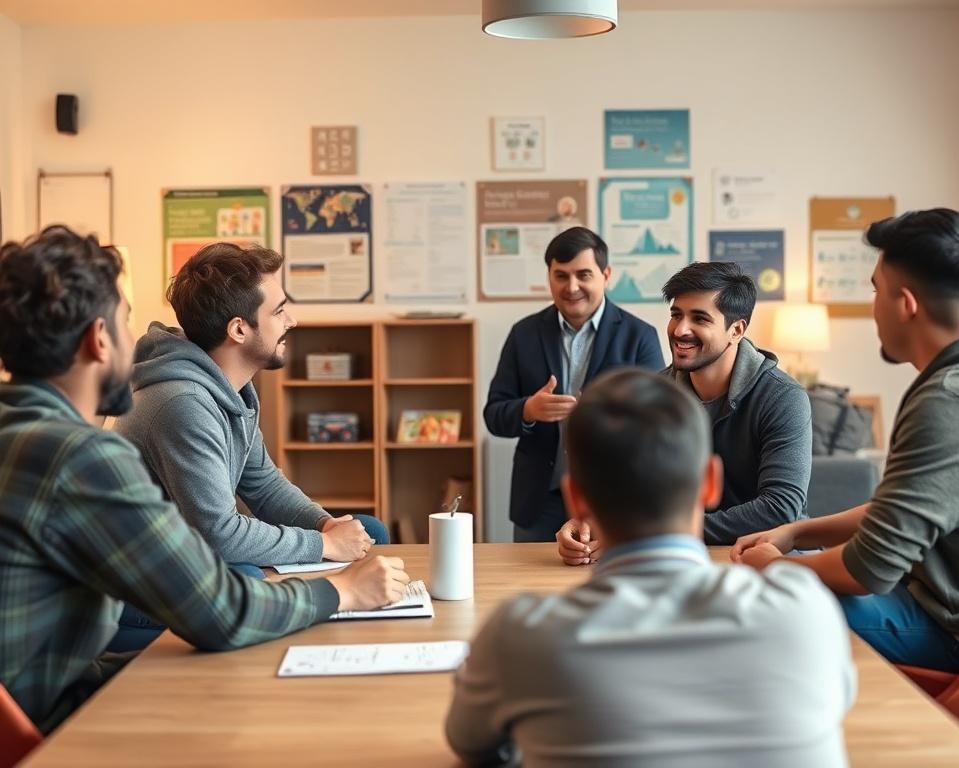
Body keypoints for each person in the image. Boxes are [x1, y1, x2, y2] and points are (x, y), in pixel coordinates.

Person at [0, 227, 410, 733]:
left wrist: (326, 532)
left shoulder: (20, 431)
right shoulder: (81, 456)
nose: (139, 346)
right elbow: (220, 610)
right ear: (98, 339)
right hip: (42, 724)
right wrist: (343, 592)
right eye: (127, 326)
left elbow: (260, 485)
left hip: (44, 690)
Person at [448, 369, 855, 767]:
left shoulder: (519, 637)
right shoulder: (806, 609)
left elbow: (470, 743)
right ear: (711, 482)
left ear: (576, 499)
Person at [732, 208, 959, 673]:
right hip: (939, 603)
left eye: (875, 290)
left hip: (954, 633)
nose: (873, 307)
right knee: (790, 565)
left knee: (751, 595)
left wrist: (773, 567)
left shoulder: (954, 399)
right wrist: (797, 531)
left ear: (905, 304)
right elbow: (905, 510)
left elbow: (868, 570)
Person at [115, 242, 389, 578]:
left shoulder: (230, 388)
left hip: (191, 548)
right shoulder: (182, 404)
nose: (293, 320)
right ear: (239, 330)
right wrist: (324, 544)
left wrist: (324, 524)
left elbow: (264, 486)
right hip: (142, 575)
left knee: (368, 529)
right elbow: (219, 535)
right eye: (278, 312)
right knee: (246, 575)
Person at [557, 261, 810, 564]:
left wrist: (659, 531)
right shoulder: (656, 392)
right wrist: (594, 521)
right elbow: (630, 485)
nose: (680, 329)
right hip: (674, 558)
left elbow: (779, 507)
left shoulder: (783, 398)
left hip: (766, 562)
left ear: (736, 330)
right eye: (676, 315)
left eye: (699, 318)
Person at [484, 226, 664, 542]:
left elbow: (658, 421)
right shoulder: (523, 334)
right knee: (530, 587)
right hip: (540, 502)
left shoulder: (640, 336)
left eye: (583, 274)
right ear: (549, 277)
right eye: (561, 275)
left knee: (608, 587)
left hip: (613, 499)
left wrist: (606, 415)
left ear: (606, 275)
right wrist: (528, 409)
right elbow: (494, 415)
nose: (572, 286)